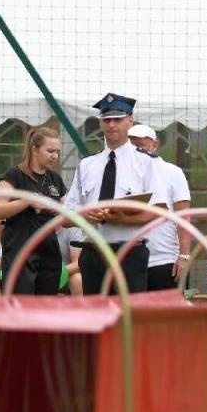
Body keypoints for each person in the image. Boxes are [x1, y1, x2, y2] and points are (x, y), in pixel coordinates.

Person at [63, 94, 161, 296]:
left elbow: (160, 212)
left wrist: (123, 218)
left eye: (118, 119)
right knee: (96, 315)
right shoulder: (87, 165)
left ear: (130, 121)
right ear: (100, 123)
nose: (112, 125)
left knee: (128, 317)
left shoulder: (146, 163)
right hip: (93, 252)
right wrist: (82, 216)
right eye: (107, 120)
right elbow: (66, 217)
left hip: (129, 253)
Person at [0, 127, 67, 295]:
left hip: (48, 250)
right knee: (21, 304)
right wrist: (27, 201)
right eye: (50, 151)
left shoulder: (55, 179)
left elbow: (68, 210)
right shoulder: (15, 175)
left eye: (58, 152)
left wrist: (58, 209)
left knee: (46, 305)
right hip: (20, 250)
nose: (55, 156)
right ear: (34, 149)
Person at [129, 124, 192, 291]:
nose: (136, 150)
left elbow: (184, 216)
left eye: (141, 145)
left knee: (167, 315)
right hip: (130, 260)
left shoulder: (172, 172)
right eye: (132, 145)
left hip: (165, 259)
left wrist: (184, 256)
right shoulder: (122, 172)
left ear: (154, 145)